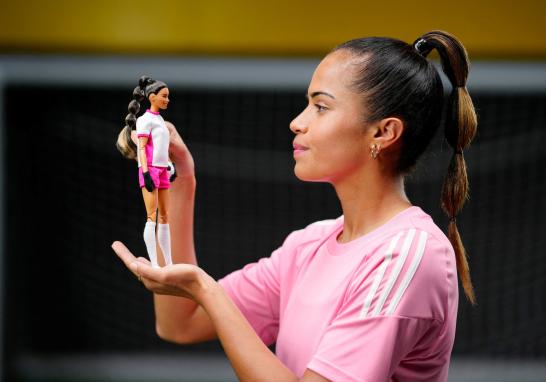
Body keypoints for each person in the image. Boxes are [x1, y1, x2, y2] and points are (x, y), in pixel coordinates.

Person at [112, 30, 477, 381]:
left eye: (320, 106)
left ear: (383, 133)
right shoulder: (308, 246)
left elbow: (198, 303)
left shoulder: (408, 255)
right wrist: (177, 180)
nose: (296, 122)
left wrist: (206, 290)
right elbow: (180, 322)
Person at [116, 76, 175, 268]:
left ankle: (169, 262)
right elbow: (142, 148)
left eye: (168, 97)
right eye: (164, 96)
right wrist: (146, 171)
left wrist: (168, 165)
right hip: (150, 170)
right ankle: (155, 263)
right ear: (152, 97)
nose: (167, 100)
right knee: (152, 216)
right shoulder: (144, 120)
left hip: (162, 170)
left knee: (165, 216)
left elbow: (161, 147)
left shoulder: (160, 120)